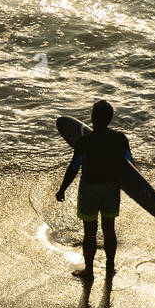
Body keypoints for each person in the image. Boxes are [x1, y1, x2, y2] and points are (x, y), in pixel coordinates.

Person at [56, 100, 132, 281]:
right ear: (110, 119)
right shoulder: (120, 139)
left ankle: (89, 271)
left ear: (92, 117)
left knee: (89, 232)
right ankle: (110, 268)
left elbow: (74, 168)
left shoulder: (85, 142)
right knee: (109, 229)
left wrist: (62, 189)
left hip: (90, 189)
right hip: (111, 189)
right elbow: (130, 166)